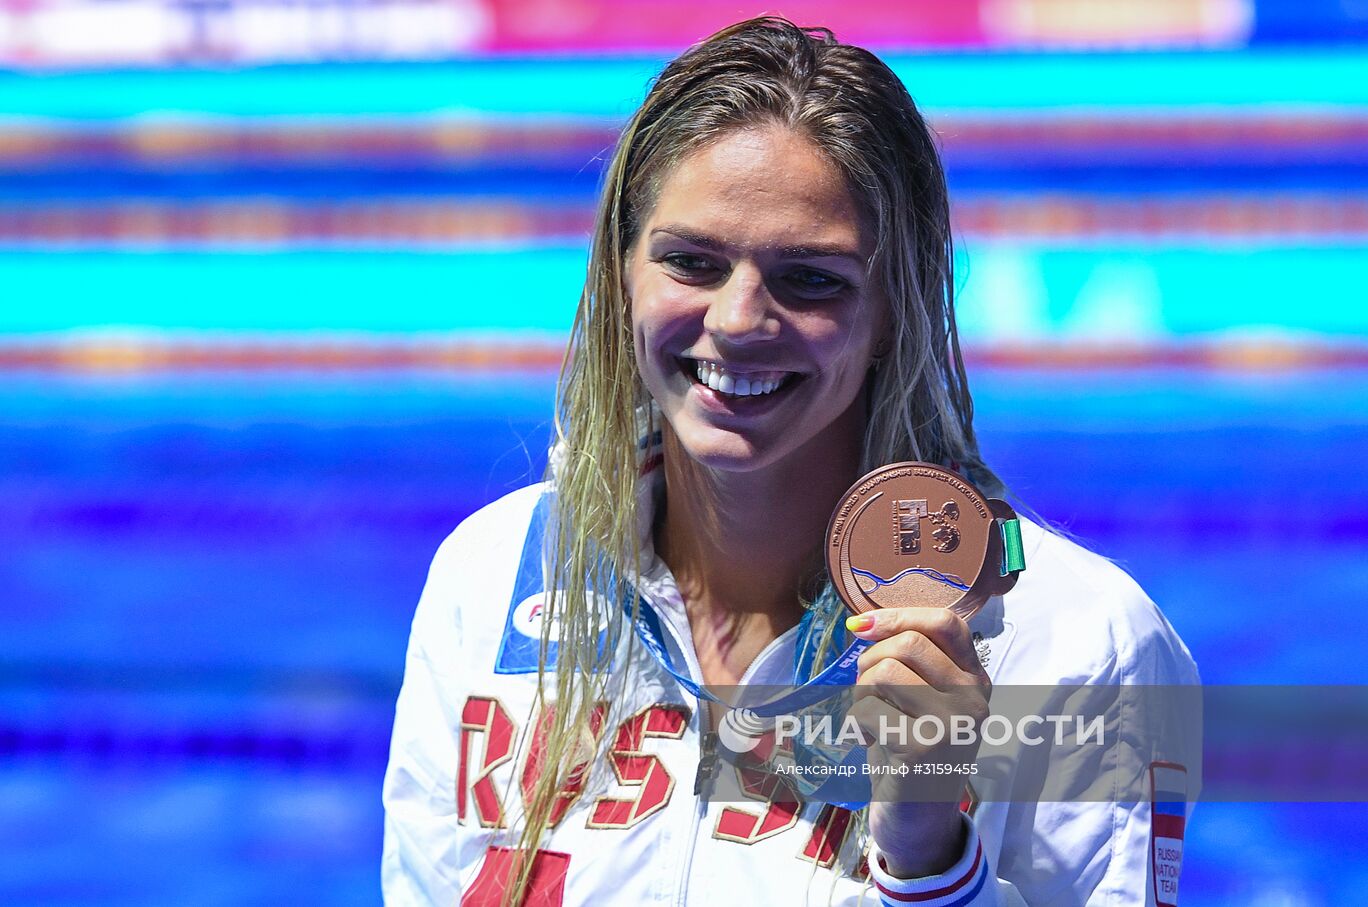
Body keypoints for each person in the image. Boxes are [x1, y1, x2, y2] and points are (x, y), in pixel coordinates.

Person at [382, 16, 1200, 907]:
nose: (738, 320)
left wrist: (931, 855)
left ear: (897, 307)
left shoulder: (1078, 641)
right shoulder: (492, 574)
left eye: (811, 277)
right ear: (620, 275)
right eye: (691, 262)